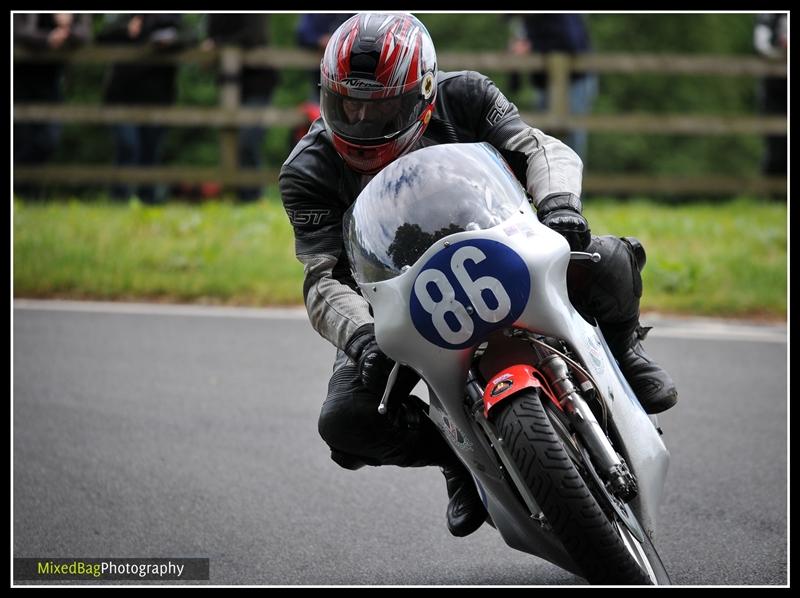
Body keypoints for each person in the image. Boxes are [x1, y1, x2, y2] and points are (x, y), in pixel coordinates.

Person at [279, 13, 678, 538]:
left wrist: (560, 205)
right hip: (389, 305)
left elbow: (539, 147)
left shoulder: (465, 94)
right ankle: (457, 461)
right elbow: (323, 277)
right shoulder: (307, 168)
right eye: (347, 102)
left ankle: (625, 353)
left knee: (611, 259)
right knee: (347, 423)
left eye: (380, 106)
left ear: (422, 92)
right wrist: (358, 334)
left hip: (505, 242)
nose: (359, 119)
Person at [97, 14, 190, 205]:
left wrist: (170, 42)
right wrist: (127, 30)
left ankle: (148, 199)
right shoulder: (124, 18)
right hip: (122, 95)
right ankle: (120, 198)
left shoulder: (172, 19)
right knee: (128, 146)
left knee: (151, 151)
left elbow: (190, 37)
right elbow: (101, 37)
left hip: (158, 98)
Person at [13, 13, 92, 199]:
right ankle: (23, 196)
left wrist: (67, 29)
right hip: (20, 77)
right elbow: (17, 31)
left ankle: (25, 192)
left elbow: (85, 34)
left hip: (52, 80)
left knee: (48, 140)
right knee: (21, 139)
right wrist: (47, 38)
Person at [203, 14, 279, 202]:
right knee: (232, 141)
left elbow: (253, 37)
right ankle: (239, 195)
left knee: (248, 139)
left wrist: (218, 44)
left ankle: (252, 196)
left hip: (258, 82)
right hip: (230, 84)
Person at [507, 13, 597, 164]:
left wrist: (531, 47)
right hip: (545, 83)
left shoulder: (560, 17)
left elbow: (571, 44)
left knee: (570, 149)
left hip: (574, 82)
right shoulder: (525, 21)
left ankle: (573, 187)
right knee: (545, 148)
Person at [753, 13, 787, 178]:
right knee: (777, 148)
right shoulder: (768, 16)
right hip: (775, 90)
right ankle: (773, 196)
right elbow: (761, 45)